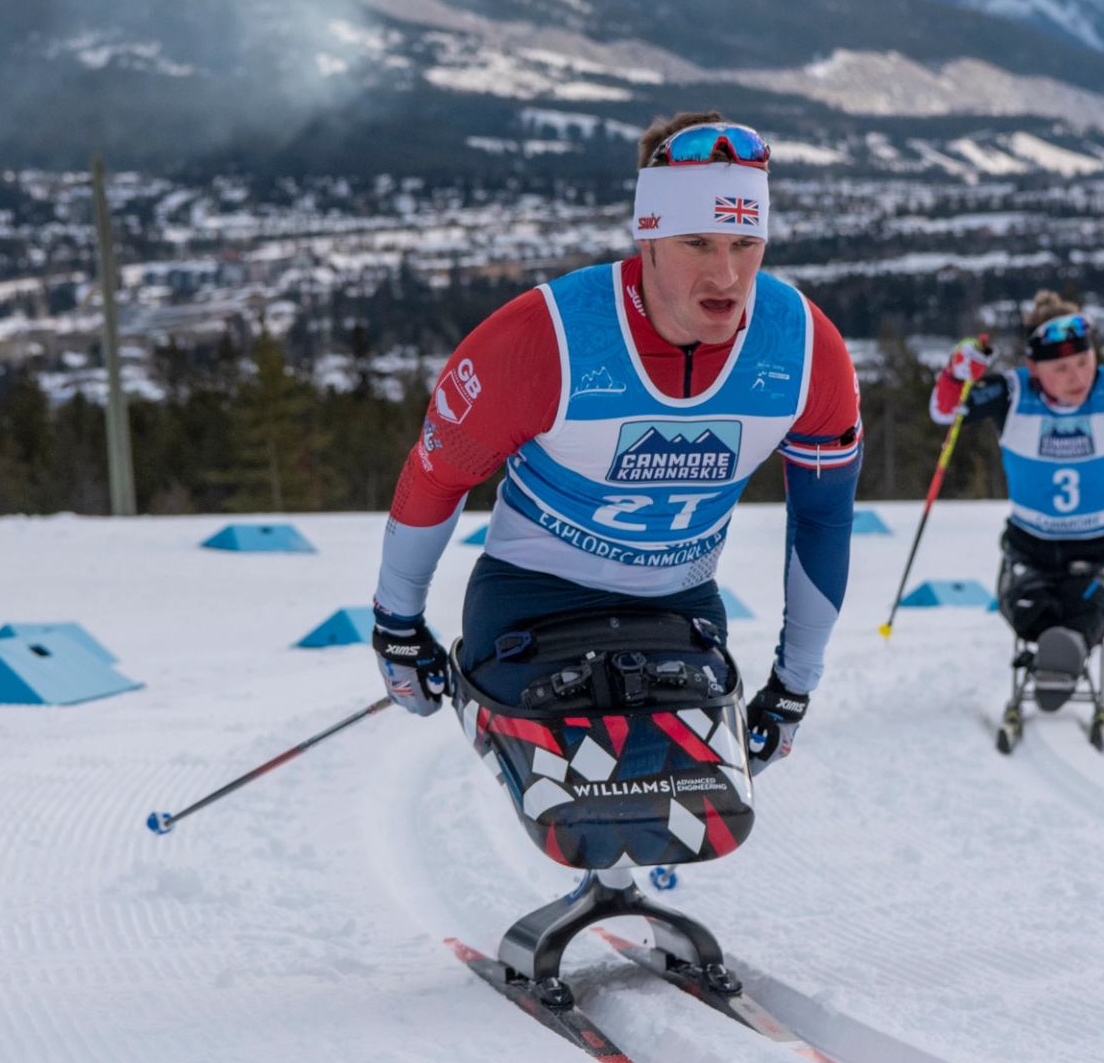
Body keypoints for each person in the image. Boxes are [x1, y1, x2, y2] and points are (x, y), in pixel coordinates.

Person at [368, 109, 862, 783]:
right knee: (584, 799)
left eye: (744, 244)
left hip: (680, 608)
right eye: (697, 243)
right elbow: (437, 475)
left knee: (692, 804)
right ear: (650, 237)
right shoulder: (546, 337)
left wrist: (795, 684)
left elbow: (825, 516)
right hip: (531, 598)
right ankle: (609, 877)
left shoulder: (805, 348)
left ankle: (621, 883)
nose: (725, 277)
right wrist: (398, 625)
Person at [929, 291, 1104, 718]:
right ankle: (1060, 649)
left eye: (1083, 362)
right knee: (1026, 609)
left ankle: (1064, 648)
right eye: (1061, 369)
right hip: (1030, 554)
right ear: (1034, 367)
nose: (1077, 377)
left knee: (1091, 607)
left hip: (1100, 555)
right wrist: (959, 370)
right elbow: (946, 411)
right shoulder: (1011, 393)